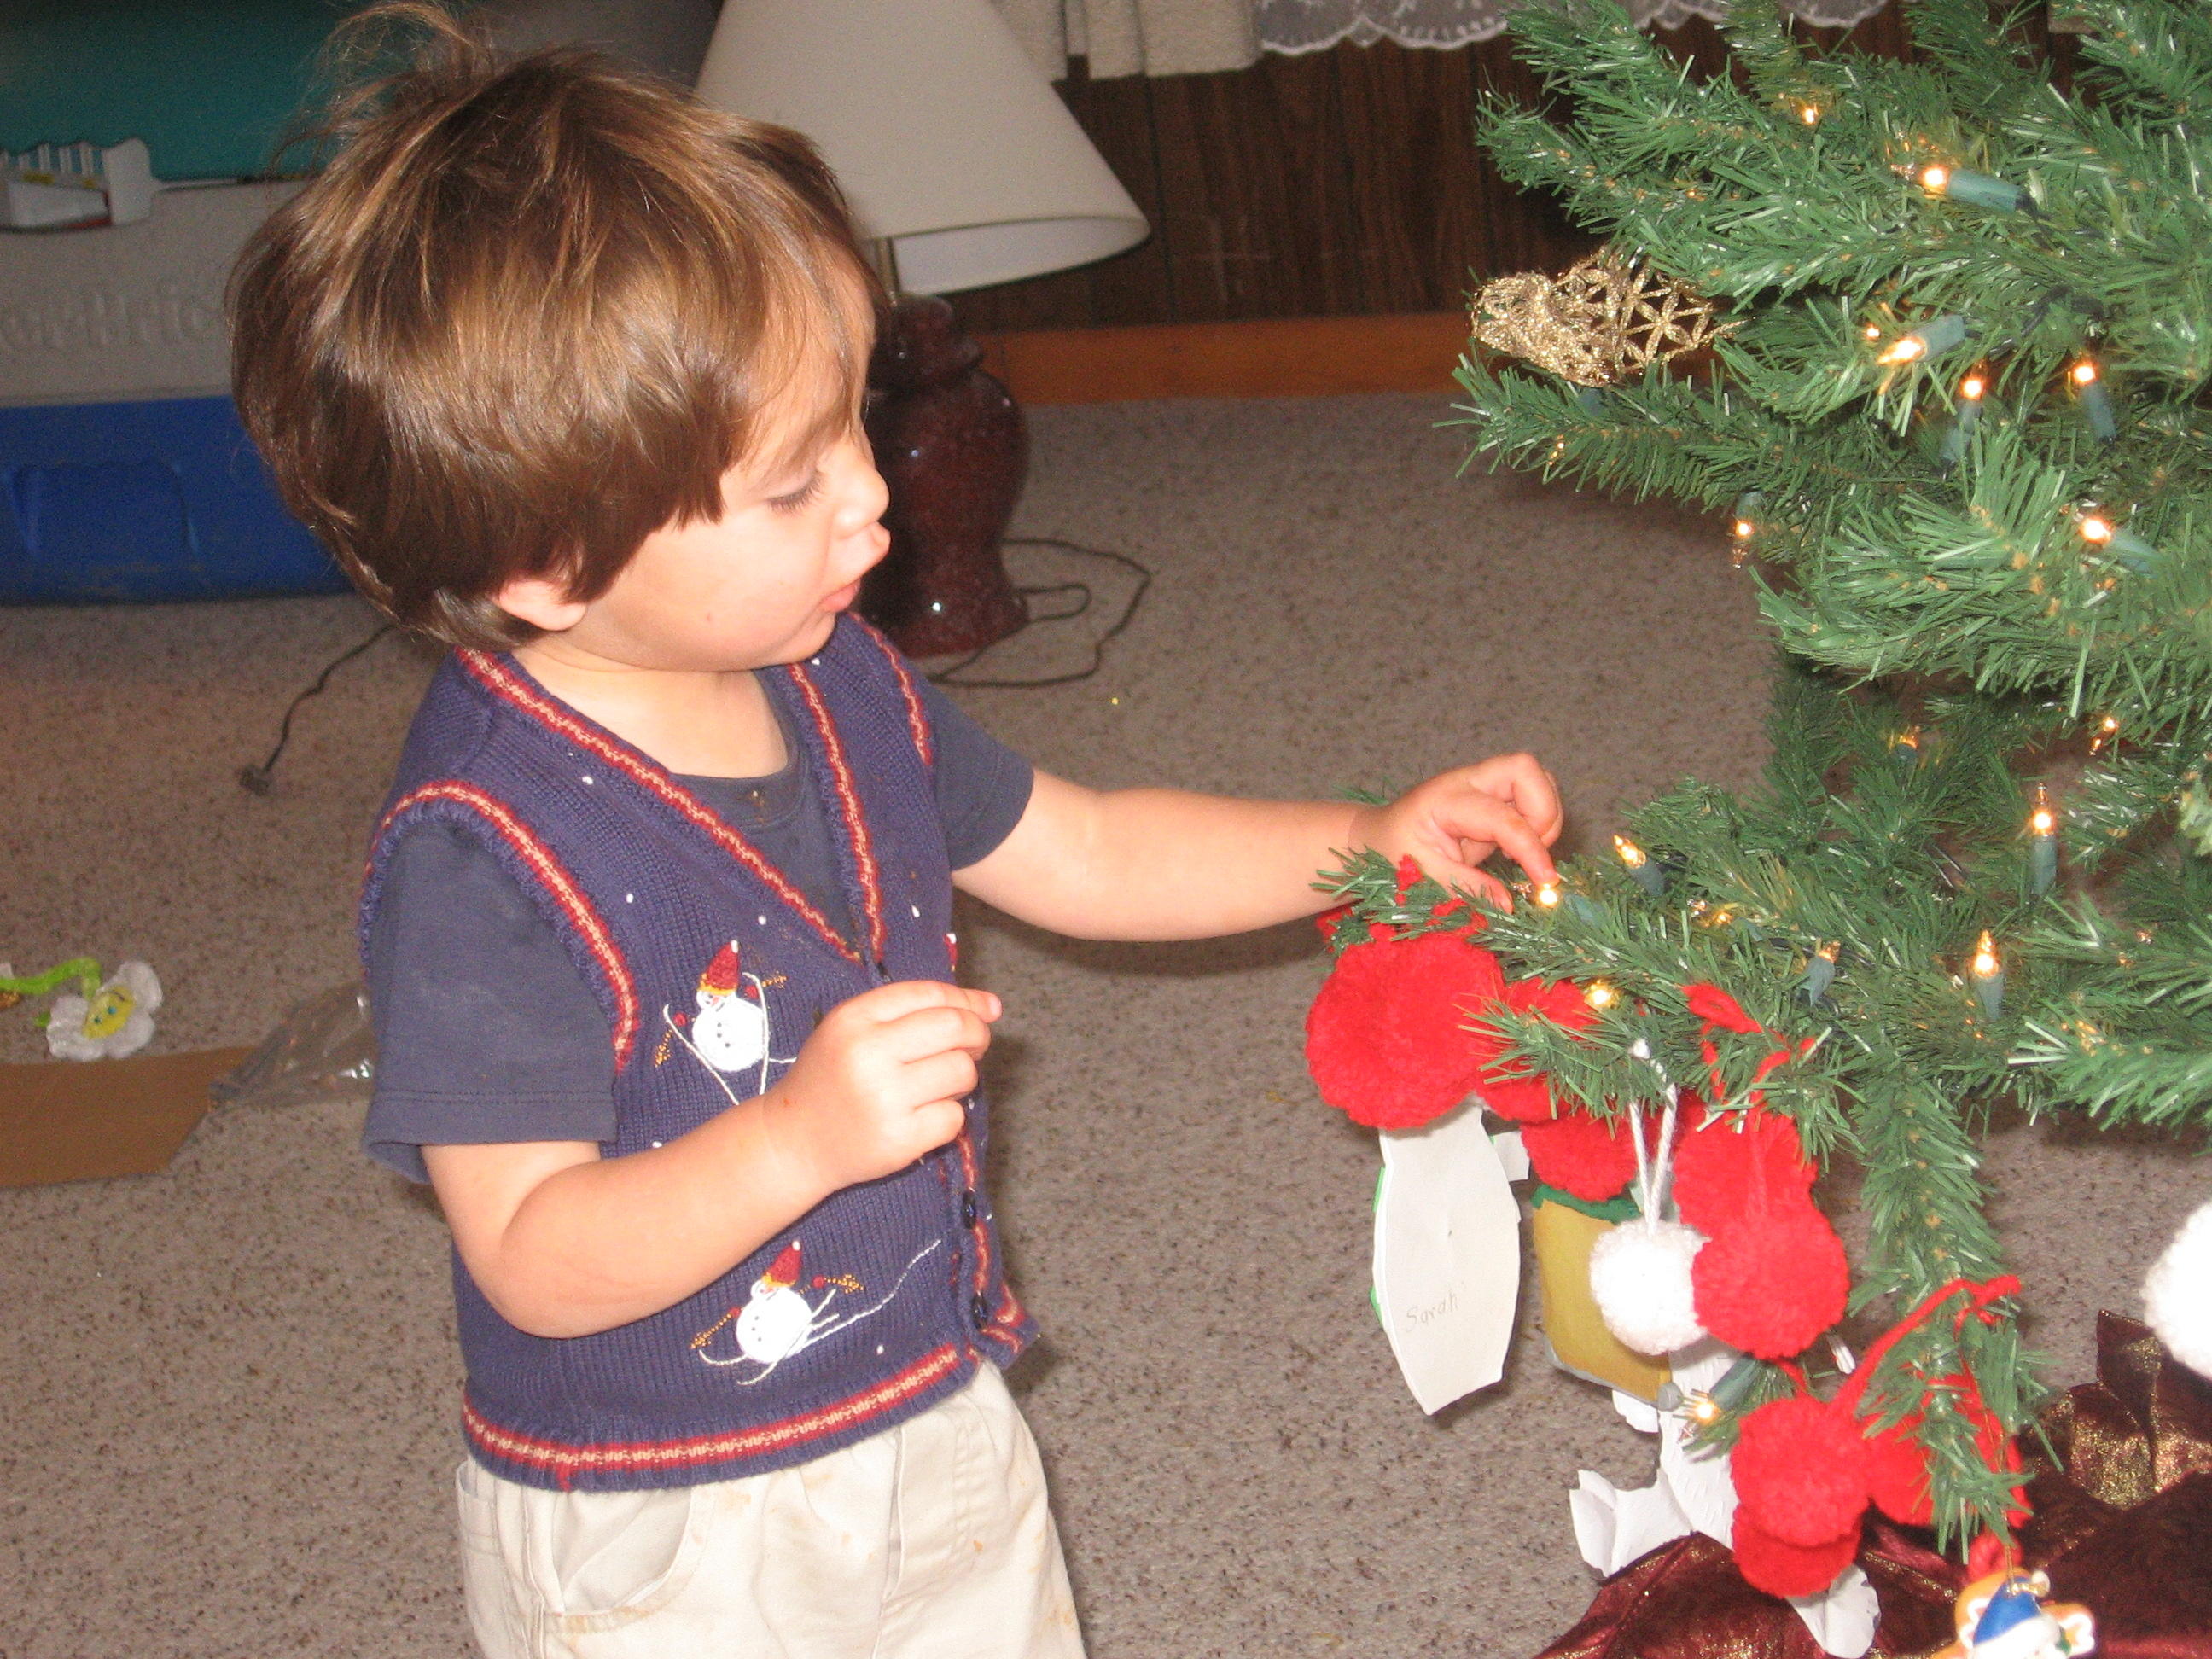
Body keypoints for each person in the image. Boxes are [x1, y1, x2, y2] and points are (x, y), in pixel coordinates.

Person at [229, 9, 1563, 1656]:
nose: (869, 498)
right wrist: (794, 1140)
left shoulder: (835, 674)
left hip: (920, 1399)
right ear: (548, 563)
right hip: (665, 1516)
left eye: (851, 422)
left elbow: (1083, 848)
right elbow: (530, 1251)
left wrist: (1369, 840)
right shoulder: (485, 857)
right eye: (791, 484)